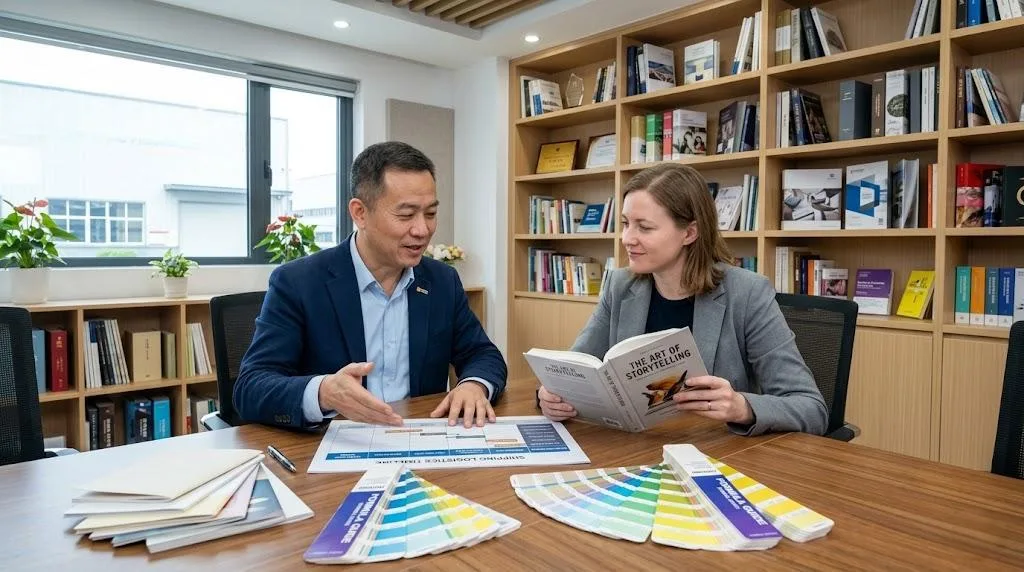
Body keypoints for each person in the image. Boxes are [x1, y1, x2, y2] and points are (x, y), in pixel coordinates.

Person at [538, 163, 827, 436]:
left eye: (645, 227)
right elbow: (575, 369)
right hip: (637, 447)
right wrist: (550, 395)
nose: (627, 238)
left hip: (717, 455)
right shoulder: (620, 285)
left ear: (689, 232)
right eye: (626, 224)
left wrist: (742, 407)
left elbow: (811, 408)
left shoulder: (747, 293)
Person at [235, 141, 507, 430]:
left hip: (419, 440)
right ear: (360, 213)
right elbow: (251, 387)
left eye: (430, 213)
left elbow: (482, 354)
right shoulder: (298, 282)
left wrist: (473, 386)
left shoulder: (441, 281)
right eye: (405, 215)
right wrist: (324, 392)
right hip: (335, 449)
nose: (422, 230)